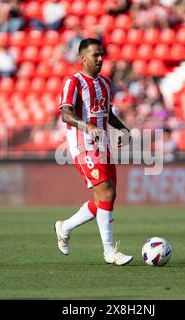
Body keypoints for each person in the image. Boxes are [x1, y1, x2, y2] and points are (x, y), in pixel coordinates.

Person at [54, 38, 133, 266]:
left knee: (106, 198)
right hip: (82, 146)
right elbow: (66, 114)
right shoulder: (73, 82)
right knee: (107, 194)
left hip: (103, 146)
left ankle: (64, 226)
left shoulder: (105, 84)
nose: (100, 59)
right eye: (95, 55)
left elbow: (105, 113)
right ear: (83, 57)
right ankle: (110, 253)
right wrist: (87, 126)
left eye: (101, 55)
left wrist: (123, 129)